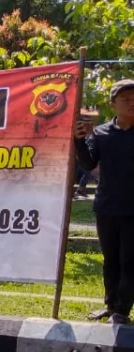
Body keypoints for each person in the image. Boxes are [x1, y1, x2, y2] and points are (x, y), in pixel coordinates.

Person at [76, 80, 134, 324]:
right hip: (107, 207)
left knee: (129, 260)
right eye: (126, 99)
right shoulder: (100, 134)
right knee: (110, 259)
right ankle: (111, 306)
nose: (132, 103)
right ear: (113, 104)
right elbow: (88, 164)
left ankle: (121, 311)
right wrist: (78, 140)